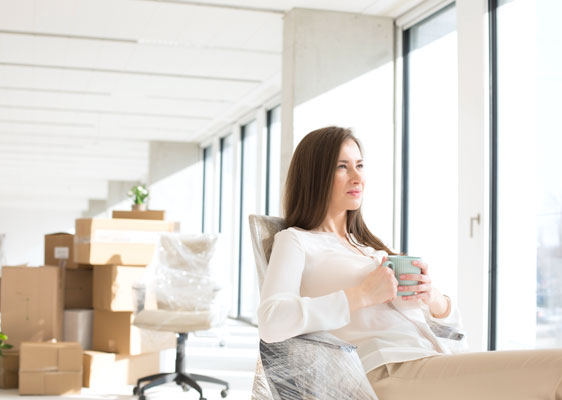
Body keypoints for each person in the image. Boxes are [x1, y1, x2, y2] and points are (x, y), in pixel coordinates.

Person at [257, 126, 562, 399]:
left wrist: (433, 298)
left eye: (360, 166)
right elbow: (271, 322)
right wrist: (361, 295)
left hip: (430, 358)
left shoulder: (367, 249)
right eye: (342, 166)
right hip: (387, 370)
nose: (357, 176)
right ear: (315, 174)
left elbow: (451, 329)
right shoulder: (296, 241)